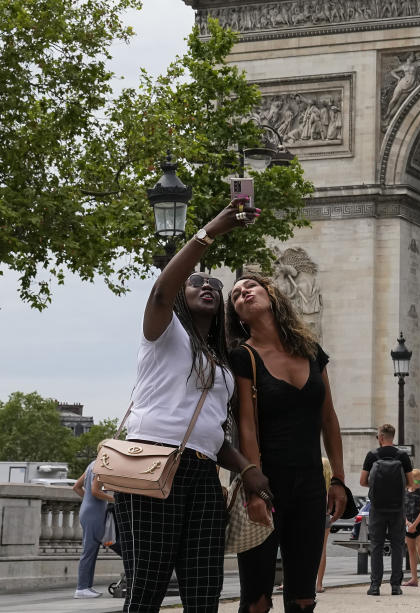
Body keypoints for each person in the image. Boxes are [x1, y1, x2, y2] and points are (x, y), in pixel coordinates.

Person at [114, 197, 271, 612]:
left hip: (203, 474)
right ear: (181, 296)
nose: (208, 287)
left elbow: (211, 434)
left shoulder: (220, 364)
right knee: (146, 587)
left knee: (205, 591)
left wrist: (247, 469)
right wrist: (209, 232)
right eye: (197, 283)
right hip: (152, 463)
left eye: (215, 287)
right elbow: (161, 290)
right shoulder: (162, 334)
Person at [227, 273, 348, 613]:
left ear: (272, 294)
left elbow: (329, 417)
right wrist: (254, 490)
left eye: (250, 286)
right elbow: (246, 428)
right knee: (257, 600)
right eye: (236, 294)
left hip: (311, 483)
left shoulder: (311, 351)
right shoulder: (242, 357)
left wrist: (338, 478)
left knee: (303, 597)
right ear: (237, 314)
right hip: (266, 482)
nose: (242, 292)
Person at [359, 423, 413, 596]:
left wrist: (376, 486)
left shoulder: (372, 455)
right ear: (392, 437)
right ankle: (396, 586)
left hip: (377, 507)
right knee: (397, 546)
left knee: (376, 546)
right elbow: (412, 482)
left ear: (381, 437)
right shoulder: (403, 456)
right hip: (397, 508)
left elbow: (362, 481)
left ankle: (375, 586)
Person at [72, 459, 115, 599]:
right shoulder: (101, 466)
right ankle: (82, 588)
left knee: (91, 549)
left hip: (88, 510)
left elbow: (76, 487)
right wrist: (114, 500)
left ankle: (86, 587)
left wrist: (88, 500)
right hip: (94, 513)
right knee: (89, 550)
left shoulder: (92, 464)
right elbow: (96, 491)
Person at [403, 468, 420, 587]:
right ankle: (414, 578)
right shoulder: (405, 493)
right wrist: (407, 523)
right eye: (416, 481)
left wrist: (414, 525)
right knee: (411, 552)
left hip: (419, 526)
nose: (418, 484)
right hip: (408, 525)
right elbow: (402, 510)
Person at [315, 457, 333, 594]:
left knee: (298, 548)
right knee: (322, 550)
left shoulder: (311, 481)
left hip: (310, 514)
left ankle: (290, 582)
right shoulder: (329, 484)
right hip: (325, 514)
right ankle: (319, 584)